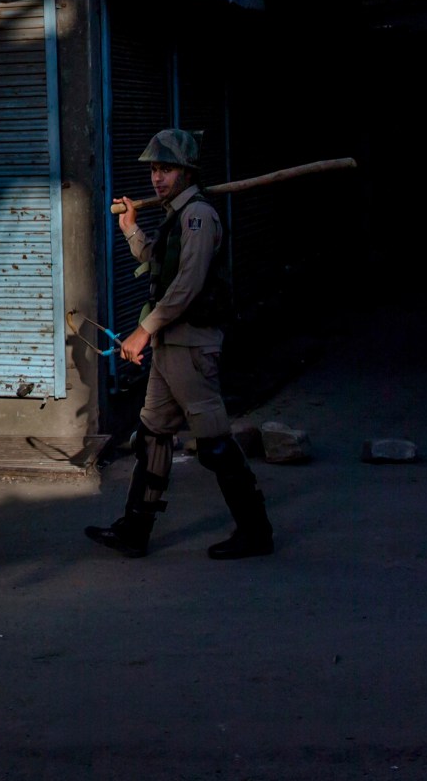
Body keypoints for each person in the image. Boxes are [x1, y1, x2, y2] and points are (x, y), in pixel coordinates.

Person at [85, 129, 274, 560]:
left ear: (187, 172)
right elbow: (159, 263)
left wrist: (143, 330)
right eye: (153, 169)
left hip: (191, 345)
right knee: (152, 433)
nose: (157, 178)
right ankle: (135, 529)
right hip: (171, 346)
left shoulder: (199, 217)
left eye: (165, 169)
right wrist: (132, 230)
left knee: (213, 441)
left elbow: (187, 286)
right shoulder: (176, 215)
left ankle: (255, 530)